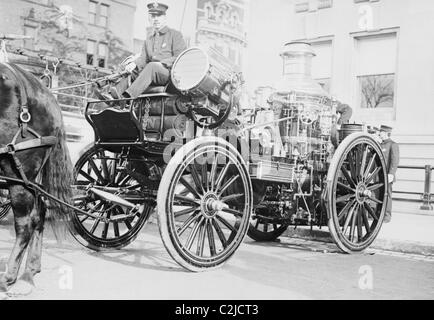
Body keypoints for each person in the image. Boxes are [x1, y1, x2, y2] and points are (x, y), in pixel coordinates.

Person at [98, 2, 187, 101]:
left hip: (169, 75)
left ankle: (127, 97)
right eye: (153, 16)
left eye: (159, 15)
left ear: (165, 18)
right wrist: (133, 65)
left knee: (152, 66)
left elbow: (180, 57)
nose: (156, 19)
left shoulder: (175, 35)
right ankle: (112, 95)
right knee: (130, 69)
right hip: (151, 73)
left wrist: (160, 64)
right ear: (149, 19)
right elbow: (143, 59)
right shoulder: (148, 40)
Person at [379, 125, 400, 223]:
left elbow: (394, 160)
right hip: (378, 175)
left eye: (381, 132)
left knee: (387, 195)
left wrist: (391, 174)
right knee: (378, 195)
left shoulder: (393, 145)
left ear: (387, 133)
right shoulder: (379, 144)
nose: (380, 134)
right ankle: (378, 214)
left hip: (387, 175)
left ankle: (387, 216)